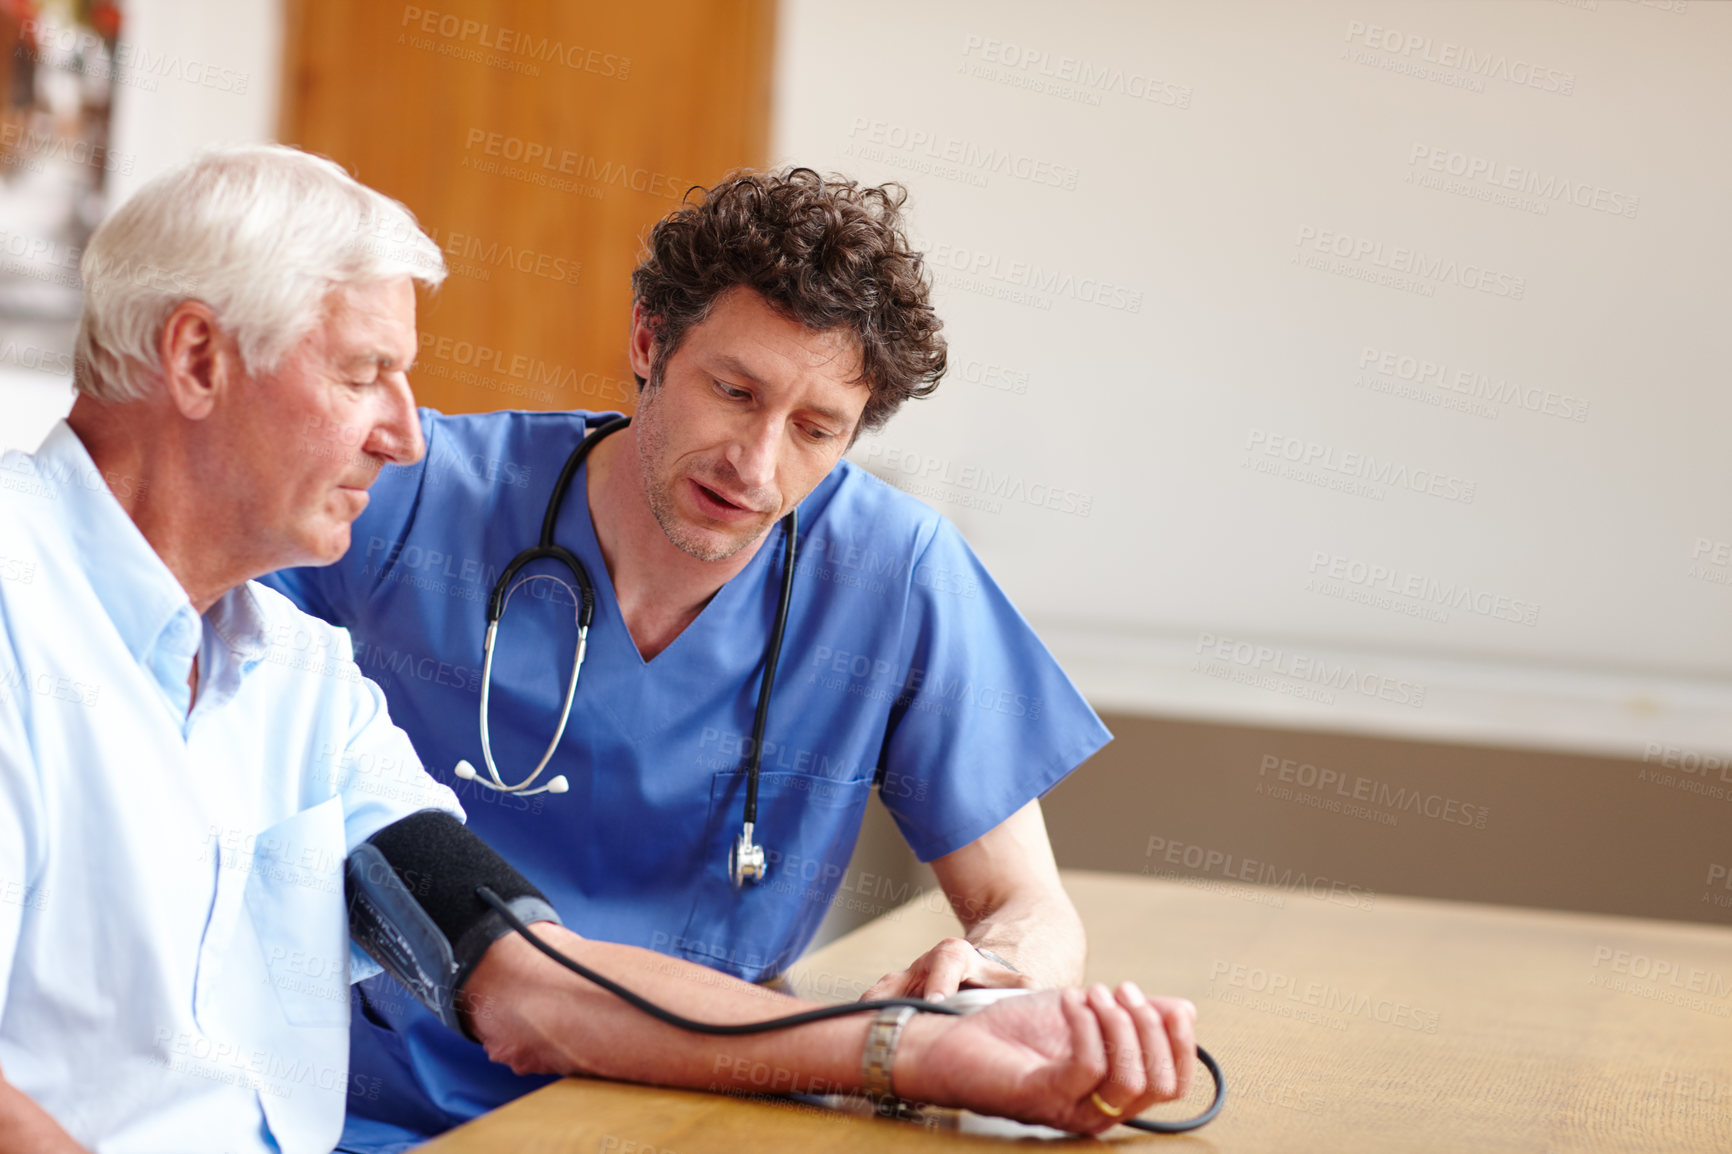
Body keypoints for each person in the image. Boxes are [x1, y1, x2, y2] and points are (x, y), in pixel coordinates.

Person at [0, 145, 1198, 1154]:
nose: (407, 433)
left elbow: (521, 972)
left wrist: (935, 1044)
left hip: (675, 1099)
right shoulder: (64, 598)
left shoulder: (297, 675)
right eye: (367, 372)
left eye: (818, 428)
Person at [263, 167, 1117, 1148]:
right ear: (647, 340)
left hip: (710, 1108)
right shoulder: (410, 501)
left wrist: (997, 975)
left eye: (814, 428)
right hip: (398, 1117)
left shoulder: (894, 575)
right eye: (733, 391)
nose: (755, 465)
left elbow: (1028, 906)